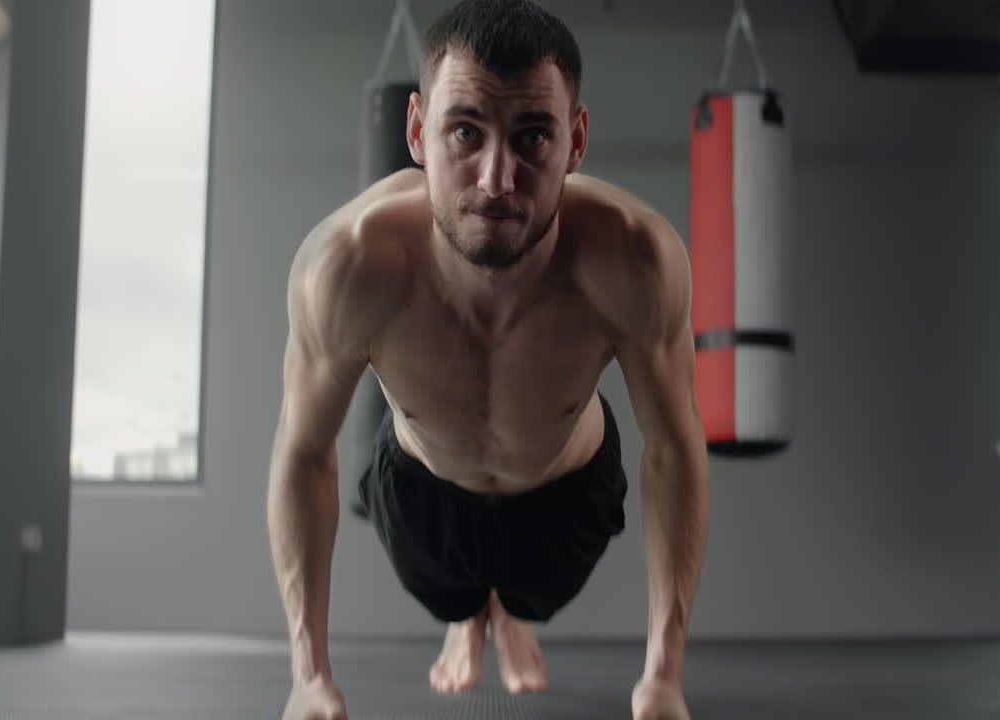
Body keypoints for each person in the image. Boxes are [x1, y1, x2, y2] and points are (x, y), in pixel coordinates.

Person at [268, 1, 709, 718]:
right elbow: (303, 453)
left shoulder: (634, 258)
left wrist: (664, 676)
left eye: (532, 136)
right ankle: (467, 616)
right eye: (465, 132)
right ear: (417, 131)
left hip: (567, 495)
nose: (497, 179)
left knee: (536, 596)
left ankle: (509, 615)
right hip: (422, 490)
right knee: (446, 593)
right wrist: (307, 677)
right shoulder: (347, 265)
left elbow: (674, 447)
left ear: (575, 141)